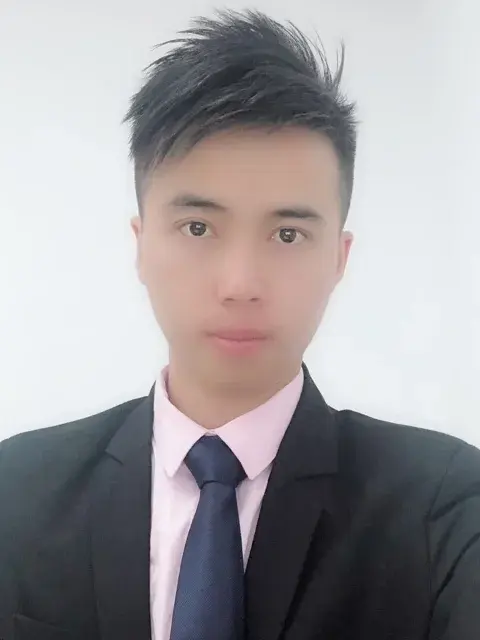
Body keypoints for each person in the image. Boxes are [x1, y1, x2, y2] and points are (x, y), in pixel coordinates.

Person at [0, 8, 479, 640]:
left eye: (288, 234)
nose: (240, 284)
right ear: (141, 245)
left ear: (339, 258)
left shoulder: (443, 507)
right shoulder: (17, 490)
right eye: (198, 227)